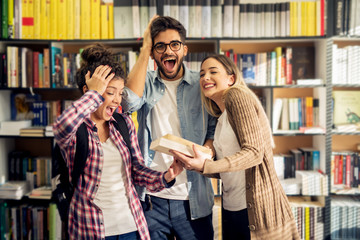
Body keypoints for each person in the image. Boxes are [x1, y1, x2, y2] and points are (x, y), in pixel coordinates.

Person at [53, 43, 183, 240]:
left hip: (131, 225)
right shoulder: (75, 128)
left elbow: (137, 170)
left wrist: (164, 177)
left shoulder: (122, 123)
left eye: (120, 93)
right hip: (91, 229)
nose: (117, 100)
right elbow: (61, 126)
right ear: (88, 91)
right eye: (110, 92)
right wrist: (94, 94)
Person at [170, 54, 301, 240]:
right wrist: (194, 164)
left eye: (213, 72)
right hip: (232, 209)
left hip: (255, 210)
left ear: (231, 78)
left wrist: (207, 165)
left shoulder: (236, 95)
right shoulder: (221, 117)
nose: (205, 77)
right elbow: (229, 171)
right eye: (201, 74)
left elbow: (255, 152)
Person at [121, 16, 216, 240]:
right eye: (160, 46)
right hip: (153, 199)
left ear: (184, 49)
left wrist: (205, 153)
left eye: (174, 44)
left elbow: (213, 129)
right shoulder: (145, 82)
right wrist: (145, 47)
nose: (167, 51)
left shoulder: (201, 84)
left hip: (194, 198)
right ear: (154, 53)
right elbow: (128, 103)